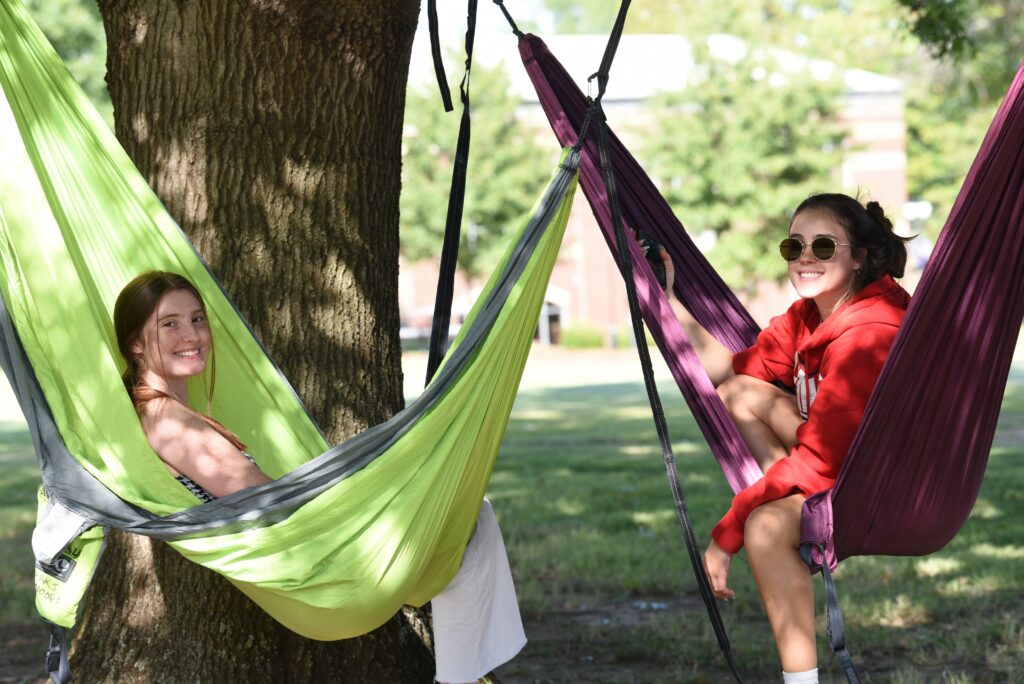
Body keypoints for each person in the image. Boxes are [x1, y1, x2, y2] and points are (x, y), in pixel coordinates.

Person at [114, 271, 525, 684]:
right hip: (313, 572)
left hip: (306, 558)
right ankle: (467, 675)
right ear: (135, 344)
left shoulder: (161, 413)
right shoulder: (171, 424)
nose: (192, 334)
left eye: (198, 319)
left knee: (462, 513)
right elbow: (264, 501)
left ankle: (468, 674)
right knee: (461, 512)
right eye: (170, 324)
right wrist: (358, 494)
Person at [659, 194, 911, 684]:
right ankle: (792, 502)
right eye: (793, 246)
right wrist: (667, 303)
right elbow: (728, 372)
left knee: (765, 529)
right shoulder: (806, 318)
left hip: (880, 481)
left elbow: (825, 457)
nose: (805, 258)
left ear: (859, 256)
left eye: (822, 245)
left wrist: (730, 527)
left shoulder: (870, 334)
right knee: (738, 393)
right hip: (828, 463)